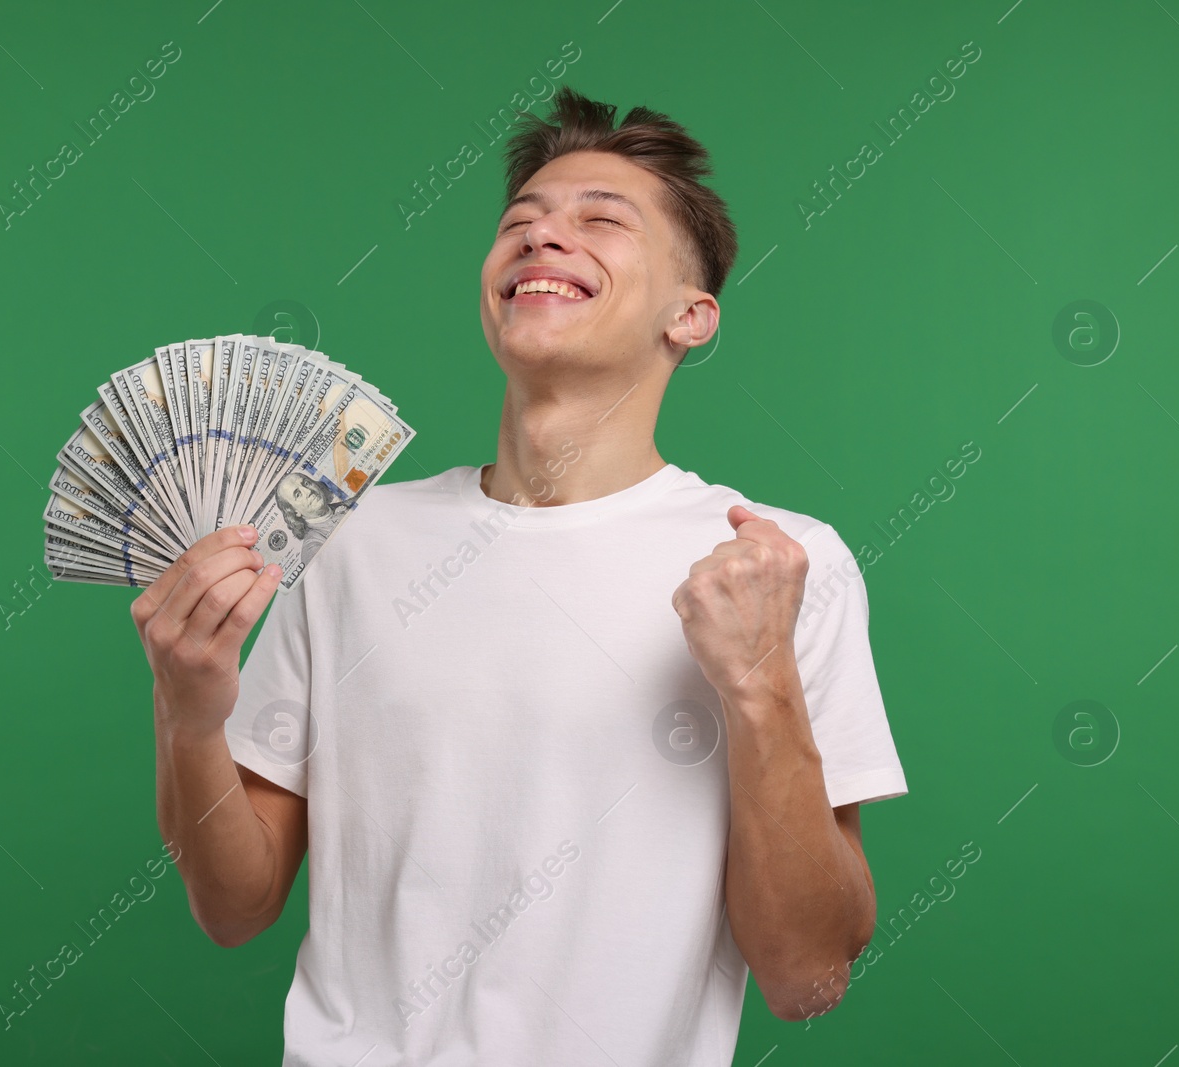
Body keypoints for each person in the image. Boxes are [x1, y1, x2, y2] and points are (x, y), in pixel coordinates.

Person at [131, 86, 908, 1065]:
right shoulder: (348, 542)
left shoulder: (780, 564)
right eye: (521, 224)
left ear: (692, 315)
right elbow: (233, 905)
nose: (544, 240)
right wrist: (189, 714)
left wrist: (761, 687)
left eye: (600, 220)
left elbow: (808, 977)